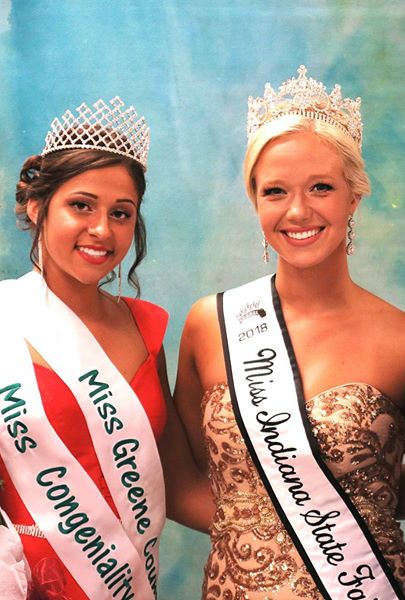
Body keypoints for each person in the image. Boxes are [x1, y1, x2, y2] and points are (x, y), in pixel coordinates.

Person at [174, 65, 405, 599]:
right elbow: (183, 480)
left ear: (353, 195)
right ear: (255, 201)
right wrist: (257, 542)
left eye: (321, 187)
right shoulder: (210, 325)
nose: (298, 210)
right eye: (275, 191)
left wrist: (359, 509)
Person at [0, 97, 201, 599]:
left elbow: (177, 483)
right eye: (81, 205)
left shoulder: (146, 330)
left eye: (121, 213)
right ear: (37, 206)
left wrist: (292, 526)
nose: (102, 230)